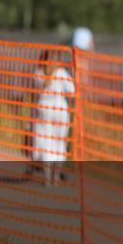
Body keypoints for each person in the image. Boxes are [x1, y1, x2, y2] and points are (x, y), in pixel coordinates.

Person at [31, 50, 75, 186]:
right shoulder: (61, 73)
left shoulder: (38, 73)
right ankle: (55, 177)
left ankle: (48, 178)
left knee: (46, 145)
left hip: (45, 110)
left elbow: (36, 91)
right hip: (60, 111)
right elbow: (72, 90)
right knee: (59, 145)